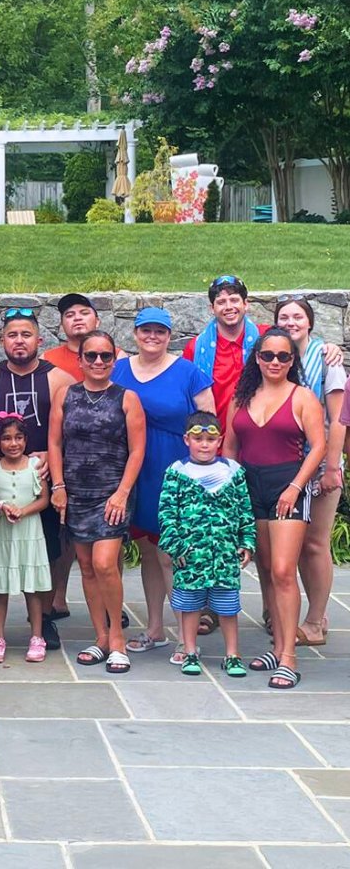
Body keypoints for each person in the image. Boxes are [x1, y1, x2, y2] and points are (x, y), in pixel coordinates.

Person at [224, 328, 325, 689]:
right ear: (257, 358)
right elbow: (230, 448)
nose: (275, 362)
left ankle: (289, 657)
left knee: (284, 570)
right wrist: (230, 493)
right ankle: (277, 645)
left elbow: (318, 447)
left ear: (293, 361)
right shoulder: (242, 397)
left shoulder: (303, 397)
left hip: (288, 484)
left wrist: (296, 487)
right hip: (250, 486)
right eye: (268, 355)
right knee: (266, 569)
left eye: (284, 356)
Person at [111, 308, 214, 660]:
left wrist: (205, 471)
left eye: (160, 331)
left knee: (172, 554)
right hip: (132, 469)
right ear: (135, 333)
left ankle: (188, 640)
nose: (152, 337)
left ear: (170, 335)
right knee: (149, 554)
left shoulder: (188, 373)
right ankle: (155, 628)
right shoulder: (119, 369)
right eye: (145, 330)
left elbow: (208, 422)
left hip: (174, 471)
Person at [0, 308, 74, 650]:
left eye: (26, 334)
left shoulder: (58, 379)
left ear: (39, 340)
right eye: (12, 335)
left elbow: (73, 429)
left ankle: (42, 619)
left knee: (45, 552)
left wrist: (52, 461)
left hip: (39, 478)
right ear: (2, 341)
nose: (19, 341)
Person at [48, 330, 146, 675]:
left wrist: (121, 492)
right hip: (76, 491)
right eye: (92, 356)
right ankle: (100, 636)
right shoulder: (66, 395)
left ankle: (118, 639)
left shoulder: (127, 398)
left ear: (114, 359)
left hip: (111, 493)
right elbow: (55, 444)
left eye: (106, 356)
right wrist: (58, 486)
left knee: (106, 563)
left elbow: (137, 451)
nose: (99, 362)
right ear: (81, 360)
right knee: (86, 566)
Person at [157, 411, 255, 679]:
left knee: (227, 607)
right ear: (186, 439)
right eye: (198, 438)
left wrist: (246, 541)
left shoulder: (232, 472)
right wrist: (175, 546)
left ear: (220, 440)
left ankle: (232, 654)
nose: (204, 444)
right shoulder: (177, 473)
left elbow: (245, 509)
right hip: (190, 557)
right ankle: (190, 650)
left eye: (210, 439)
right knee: (189, 606)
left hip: (224, 555)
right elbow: (166, 513)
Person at [275, 296, 346, 646]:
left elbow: (338, 420)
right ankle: (296, 615)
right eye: (284, 316)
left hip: (320, 464)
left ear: (310, 322)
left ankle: (316, 621)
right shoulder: (277, 357)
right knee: (295, 547)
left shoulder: (328, 360)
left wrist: (332, 467)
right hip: (285, 464)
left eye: (298, 316)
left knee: (316, 544)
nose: (291, 322)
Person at [183, 275, 341, 426]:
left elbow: (296, 342)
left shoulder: (266, 338)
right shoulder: (196, 348)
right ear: (212, 308)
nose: (229, 307)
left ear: (246, 304)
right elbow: (187, 397)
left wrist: (326, 347)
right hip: (211, 440)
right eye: (221, 302)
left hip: (258, 437)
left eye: (234, 300)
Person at [0, 413, 51, 664]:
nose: (13, 443)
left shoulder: (34, 466)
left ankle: (37, 636)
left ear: (26, 440)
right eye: (7, 439)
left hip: (29, 533)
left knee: (31, 587)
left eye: (18, 438)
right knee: (0, 588)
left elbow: (44, 499)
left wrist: (23, 510)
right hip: (1, 535)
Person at [44, 294, 124, 383]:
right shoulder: (47, 360)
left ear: (97, 322)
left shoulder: (118, 358)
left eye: (84, 313)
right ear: (62, 326)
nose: (77, 318)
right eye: (70, 315)